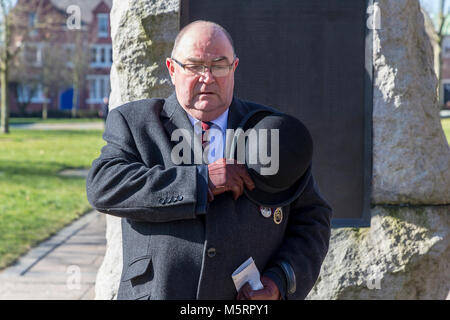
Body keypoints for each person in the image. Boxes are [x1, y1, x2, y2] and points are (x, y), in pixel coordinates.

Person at [86, 20, 332, 300]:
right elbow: (104, 186)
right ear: (172, 69)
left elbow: (313, 219)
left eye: (219, 65)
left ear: (234, 68)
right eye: (194, 66)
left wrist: (278, 283)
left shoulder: (271, 132)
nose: (208, 77)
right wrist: (200, 182)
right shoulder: (136, 123)